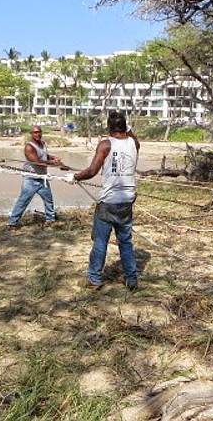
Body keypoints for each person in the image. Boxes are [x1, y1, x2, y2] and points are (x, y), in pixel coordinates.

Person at [66, 111, 140, 290]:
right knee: (125, 241)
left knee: (100, 241)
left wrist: (74, 177)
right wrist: (126, 126)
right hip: (127, 200)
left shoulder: (105, 144)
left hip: (108, 201)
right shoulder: (134, 143)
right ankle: (131, 279)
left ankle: (94, 279)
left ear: (109, 127)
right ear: (125, 127)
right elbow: (131, 136)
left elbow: (91, 171)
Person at [7, 125, 62, 228]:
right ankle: (12, 223)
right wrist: (54, 163)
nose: (38, 134)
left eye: (39, 132)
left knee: (48, 200)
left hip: (42, 178)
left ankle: (50, 220)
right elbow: (37, 162)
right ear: (31, 134)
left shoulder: (42, 144)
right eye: (35, 132)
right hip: (30, 179)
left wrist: (53, 157)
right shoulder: (29, 147)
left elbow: (44, 155)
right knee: (23, 201)